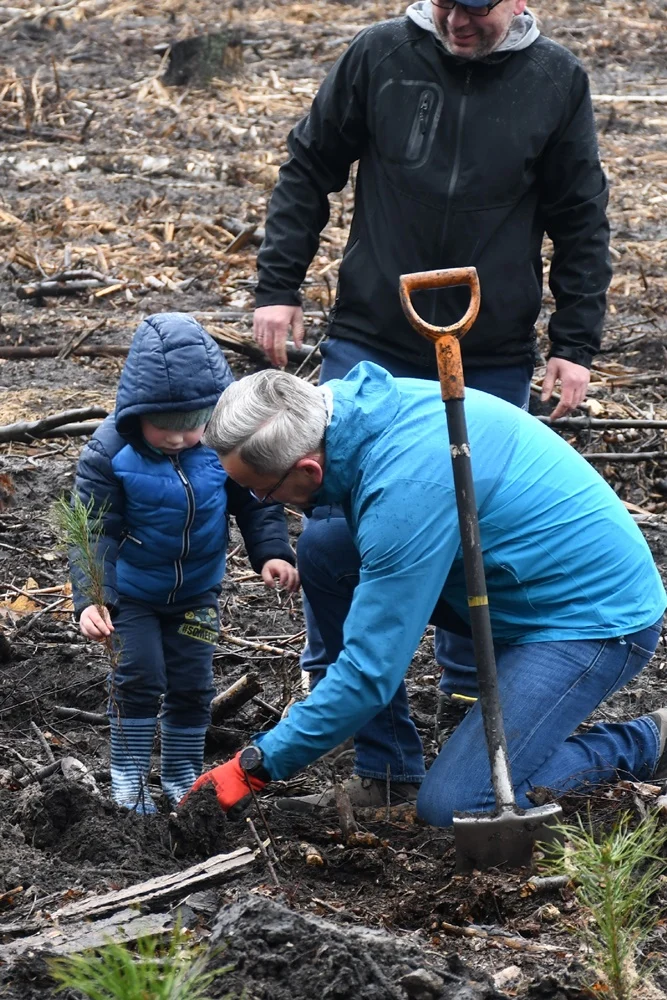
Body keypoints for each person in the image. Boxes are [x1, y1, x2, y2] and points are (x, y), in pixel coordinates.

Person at [251, 0, 612, 731]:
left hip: (489, 348)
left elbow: (579, 214)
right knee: (330, 532)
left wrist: (573, 343)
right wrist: (277, 287)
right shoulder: (379, 54)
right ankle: (344, 694)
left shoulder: (555, 78)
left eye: (476, 8)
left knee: (472, 526)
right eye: (446, 4)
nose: (457, 22)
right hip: (373, 337)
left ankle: (465, 690)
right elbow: (308, 165)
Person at [186, 366, 665, 826]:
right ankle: (387, 772)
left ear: (309, 470)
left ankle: (648, 740)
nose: (263, 504)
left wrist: (255, 766)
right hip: (508, 579)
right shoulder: (343, 412)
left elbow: (369, 672)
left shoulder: (403, 494)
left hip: (592, 618)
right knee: (326, 547)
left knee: (460, 805)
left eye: (262, 493)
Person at [69, 314, 298, 814]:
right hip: (131, 598)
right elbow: (93, 530)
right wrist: (90, 598)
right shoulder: (110, 453)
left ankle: (179, 774)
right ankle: (128, 779)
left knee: (194, 681)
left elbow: (257, 499)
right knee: (140, 675)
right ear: (136, 413)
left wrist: (273, 553)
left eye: (193, 425)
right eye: (165, 428)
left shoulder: (221, 444)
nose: (179, 439)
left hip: (197, 594)